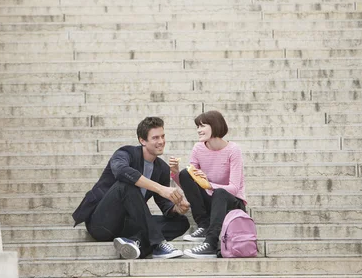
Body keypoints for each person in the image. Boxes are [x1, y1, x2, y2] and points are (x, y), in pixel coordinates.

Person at [72, 117, 190, 259]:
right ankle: (156, 245)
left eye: (163, 136)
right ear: (142, 140)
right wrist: (160, 188)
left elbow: (164, 204)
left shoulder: (162, 168)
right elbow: (121, 171)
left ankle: (135, 243)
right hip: (102, 223)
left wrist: (175, 208)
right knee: (126, 184)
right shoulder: (125, 153)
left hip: (128, 225)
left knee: (181, 222)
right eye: (155, 137)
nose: (161, 141)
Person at [168, 110, 247, 259]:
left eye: (202, 126)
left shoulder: (233, 150)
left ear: (215, 126)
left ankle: (210, 244)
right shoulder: (198, 148)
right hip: (212, 203)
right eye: (197, 126)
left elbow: (234, 188)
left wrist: (209, 185)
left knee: (220, 192)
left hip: (231, 203)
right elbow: (189, 182)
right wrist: (175, 172)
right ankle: (204, 225)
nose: (198, 130)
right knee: (186, 173)